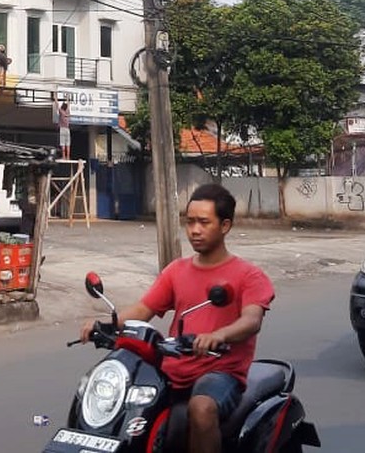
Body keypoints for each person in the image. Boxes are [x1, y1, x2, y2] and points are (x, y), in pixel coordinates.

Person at [77, 184, 275, 453]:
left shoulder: (248, 275)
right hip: (173, 369)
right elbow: (143, 310)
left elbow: (251, 320)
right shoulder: (176, 271)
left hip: (221, 373)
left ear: (225, 225)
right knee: (121, 402)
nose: (194, 230)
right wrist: (105, 325)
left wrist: (219, 335)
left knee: (201, 408)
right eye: (190, 222)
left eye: (204, 222)